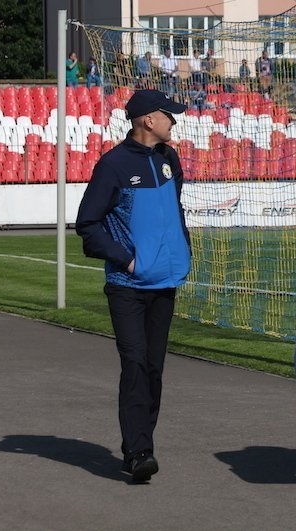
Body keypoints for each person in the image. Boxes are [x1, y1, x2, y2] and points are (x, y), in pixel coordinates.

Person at [75, 89, 191, 483]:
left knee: (154, 369)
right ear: (148, 120)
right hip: (127, 285)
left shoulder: (169, 159)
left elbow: (173, 211)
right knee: (136, 363)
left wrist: (181, 250)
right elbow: (88, 224)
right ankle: (139, 452)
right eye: (168, 115)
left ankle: (140, 447)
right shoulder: (113, 165)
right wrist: (128, 260)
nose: (174, 121)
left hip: (164, 284)